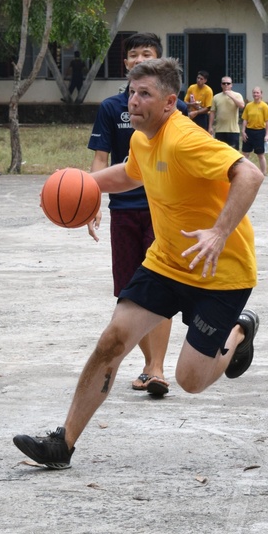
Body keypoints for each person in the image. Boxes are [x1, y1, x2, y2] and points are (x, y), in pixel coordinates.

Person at [15, 57, 264, 469]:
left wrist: (219, 232)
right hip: (166, 263)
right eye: (131, 92)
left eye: (144, 94)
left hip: (219, 271)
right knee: (112, 340)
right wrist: (80, 185)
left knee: (190, 380)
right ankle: (64, 443)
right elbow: (132, 174)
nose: (133, 101)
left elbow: (249, 174)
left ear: (170, 102)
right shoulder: (141, 140)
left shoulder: (184, 138)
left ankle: (240, 330)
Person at [87, 32, 188, 398]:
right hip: (125, 210)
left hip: (162, 209)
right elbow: (103, 159)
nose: (138, 58)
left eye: (147, 53)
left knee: (159, 286)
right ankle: (150, 365)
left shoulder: (176, 111)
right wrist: (89, 195)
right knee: (130, 291)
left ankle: (156, 368)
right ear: (125, 63)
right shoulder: (113, 108)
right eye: (133, 54)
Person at [241, 86, 268, 174]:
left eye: (257, 93)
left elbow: (267, 121)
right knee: (245, 153)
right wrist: (243, 131)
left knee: (260, 154)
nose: (255, 94)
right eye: (254, 93)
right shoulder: (249, 106)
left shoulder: (265, 106)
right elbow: (245, 119)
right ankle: (244, 172)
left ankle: (263, 172)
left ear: (261, 94)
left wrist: (267, 134)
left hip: (259, 132)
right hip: (249, 131)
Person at [208, 76, 245, 149]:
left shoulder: (237, 95)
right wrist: (210, 126)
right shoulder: (216, 97)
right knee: (220, 152)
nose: (226, 85)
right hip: (220, 130)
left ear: (231, 85)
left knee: (233, 153)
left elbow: (242, 106)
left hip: (233, 130)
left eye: (228, 83)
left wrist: (231, 96)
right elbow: (212, 112)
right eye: (224, 83)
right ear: (221, 85)